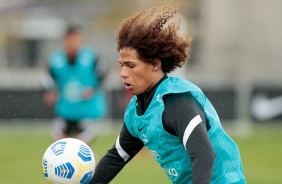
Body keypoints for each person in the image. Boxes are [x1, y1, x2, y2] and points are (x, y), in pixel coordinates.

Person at [90, 3, 246, 184]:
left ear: (155, 64)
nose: (123, 73)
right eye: (122, 65)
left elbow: (204, 155)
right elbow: (117, 157)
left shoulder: (177, 103)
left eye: (131, 65)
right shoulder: (136, 110)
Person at [42, 25, 108, 145]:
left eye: (78, 39)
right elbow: (47, 78)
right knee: (58, 144)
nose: (75, 43)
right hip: (65, 110)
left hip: (88, 111)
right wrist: (50, 91)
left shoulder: (91, 57)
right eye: (72, 39)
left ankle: (86, 163)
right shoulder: (55, 60)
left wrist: (93, 89)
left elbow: (103, 73)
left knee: (81, 145)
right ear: (65, 39)